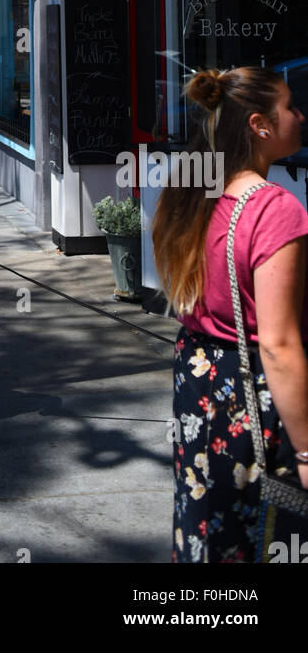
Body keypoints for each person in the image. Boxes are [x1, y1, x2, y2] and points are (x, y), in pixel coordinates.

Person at [152, 66, 308, 563]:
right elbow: (278, 344)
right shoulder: (274, 210)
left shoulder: (193, 194)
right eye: (290, 107)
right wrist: (306, 451)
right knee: (273, 533)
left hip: (200, 384)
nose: (300, 116)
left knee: (208, 528)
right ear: (260, 124)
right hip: (255, 394)